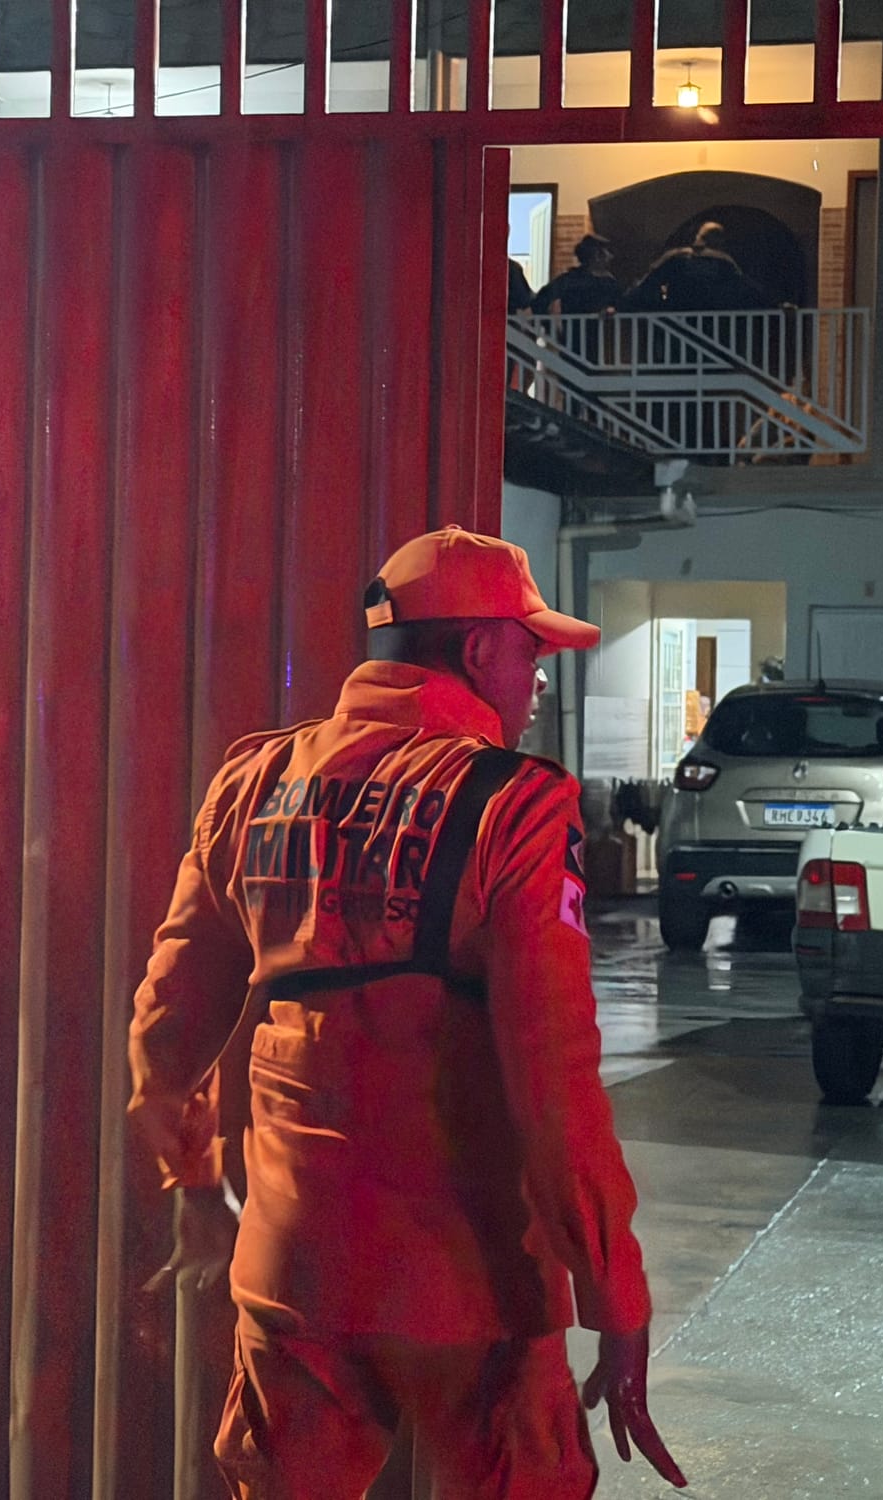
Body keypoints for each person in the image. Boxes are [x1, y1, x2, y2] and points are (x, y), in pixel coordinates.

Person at [130, 526, 686, 1499]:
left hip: (291, 1267)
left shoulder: (253, 782)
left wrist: (192, 1188)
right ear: (477, 651)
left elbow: (169, 1030)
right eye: (531, 649)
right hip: (470, 1289)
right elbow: (552, 1080)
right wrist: (614, 1293)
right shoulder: (512, 807)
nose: (538, 677)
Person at [622, 220, 773, 314]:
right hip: (712, 323)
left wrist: (622, 305)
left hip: (678, 320)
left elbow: (648, 282)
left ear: (697, 237)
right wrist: (775, 304)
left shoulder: (675, 257)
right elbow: (746, 286)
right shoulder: (723, 261)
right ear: (719, 241)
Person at [530, 233, 623, 316]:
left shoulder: (567, 280)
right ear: (597, 255)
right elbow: (539, 304)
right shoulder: (569, 281)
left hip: (581, 334)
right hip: (579, 334)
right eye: (608, 252)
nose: (611, 257)